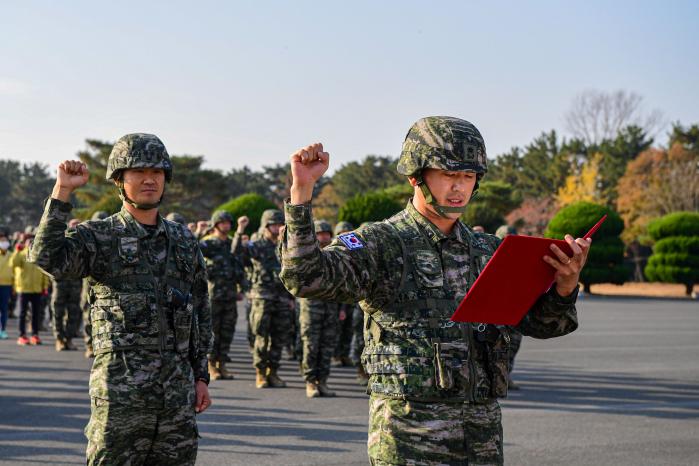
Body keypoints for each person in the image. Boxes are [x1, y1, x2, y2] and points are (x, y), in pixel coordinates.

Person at [280, 116, 590, 465]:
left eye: (468, 176)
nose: (459, 187)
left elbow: (542, 325)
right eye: (448, 175)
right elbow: (305, 277)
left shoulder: (491, 251)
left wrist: (564, 286)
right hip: (410, 436)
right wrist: (301, 193)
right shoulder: (380, 242)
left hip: (481, 437)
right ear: (416, 176)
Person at [29, 133, 212, 465]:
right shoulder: (100, 236)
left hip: (176, 400)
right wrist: (63, 192)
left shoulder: (183, 239)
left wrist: (200, 376)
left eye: (157, 173)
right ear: (119, 180)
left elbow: (199, 308)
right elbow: (46, 258)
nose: (149, 180)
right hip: (121, 398)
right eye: (138, 172)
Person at [233, 209, 294, 389]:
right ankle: (260, 373)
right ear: (265, 226)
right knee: (261, 336)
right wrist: (239, 230)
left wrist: (291, 298)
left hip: (282, 298)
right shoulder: (257, 245)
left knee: (279, 338)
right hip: (262, 297)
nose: (276, 228)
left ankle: (273, 372)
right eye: (273, 225)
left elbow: (294, 272)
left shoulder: (286, 246)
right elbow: (236, 253)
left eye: (278, 225)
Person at [199, 210, 246, 380]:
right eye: (222, 222)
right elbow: (192, 248)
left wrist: (241, 288)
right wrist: (200, 231)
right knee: (212, 332)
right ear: (216, 224)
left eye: (228, 222)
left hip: (230, 295)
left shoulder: (232, 243)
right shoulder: (210, 243)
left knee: (227, 331)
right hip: (213, 295)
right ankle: (211, 365)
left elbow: (239, 263)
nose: (226, 225)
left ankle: (222, 364)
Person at [298, 219, 340, 398]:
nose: (323, 237)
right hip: (311, 306)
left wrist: (342, 308)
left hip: (331, 306)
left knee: (327, 346)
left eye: (326, 233)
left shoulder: (336, 254)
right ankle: (310, 382)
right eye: (320, 233)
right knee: (311, 345)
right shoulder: (307, 254)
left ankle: (322, 381)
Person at [11, 227, 49, 345]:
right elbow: (13, 263)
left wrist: (45, 286)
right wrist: (17, 250)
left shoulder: (39, 254)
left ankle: (35, 335)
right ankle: (22, 335)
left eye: (33, 241)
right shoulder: (21, 254)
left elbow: (44, 272)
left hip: (37, 289)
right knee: (22, 313)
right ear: (25, 243)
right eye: (29, 241)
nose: (31, 243)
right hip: (24, 289)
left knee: (36, 313)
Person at [51, 218, 83, 351]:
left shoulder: (83, 244)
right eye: (73, 226)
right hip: (60, 282)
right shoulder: (59, 242)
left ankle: (69, 339)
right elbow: (48, 260)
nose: (74, 228)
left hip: (76, 282)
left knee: (73, 312)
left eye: (77, 226)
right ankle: (59, 339)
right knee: (57, 311)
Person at [82, 211, 109, 358]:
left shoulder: (113, 237)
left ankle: (103, 344)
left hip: (107, 283)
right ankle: (89, 344)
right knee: (88, 313)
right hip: (89, 282)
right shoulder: (87, 238)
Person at [0, 227, 13, 340]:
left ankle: (3, 330)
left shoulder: (11, 255)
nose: (3, 242)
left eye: (5, 240)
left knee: (4, 309)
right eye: (1, 240)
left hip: (6, 285)